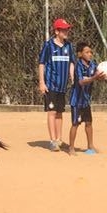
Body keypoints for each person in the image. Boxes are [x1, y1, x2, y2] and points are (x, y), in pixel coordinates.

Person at [37, 18, 75, 150]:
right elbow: (41, 64)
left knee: (59, 112)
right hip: (51, 85)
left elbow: (71, 63)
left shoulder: (68, 46)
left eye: (67, 29)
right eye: (63, 30)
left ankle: (59, 139)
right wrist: (42, 82)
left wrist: (73, 78)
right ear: (57, 31)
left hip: (62, 86)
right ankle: (53, 140)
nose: (66, 32)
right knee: (52, 112)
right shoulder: (48, 45)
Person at [67, 41, 100, 155]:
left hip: (86, 101)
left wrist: (101, 76)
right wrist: (94, 77)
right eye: (87, 52)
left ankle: (90, 145)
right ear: (80, 54)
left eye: (91, 52)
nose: (90, 54)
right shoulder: (78, 66)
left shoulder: (92, 65)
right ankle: (71, 148)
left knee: (89, 123)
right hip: (77, 101)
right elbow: (81, 82)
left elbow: (97, 74)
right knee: (75, 124)